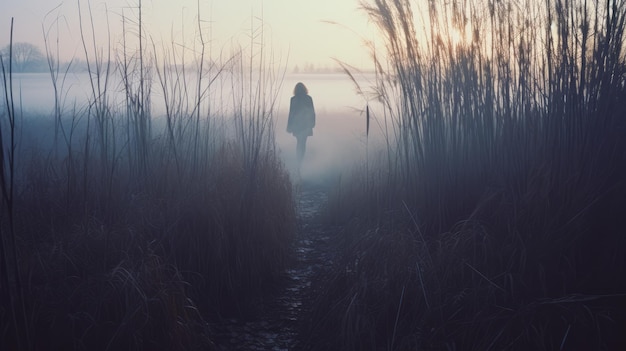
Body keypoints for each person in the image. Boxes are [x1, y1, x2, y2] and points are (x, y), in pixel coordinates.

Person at [286, 82, 316, 169]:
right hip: (305, 125)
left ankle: (299, 160)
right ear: (304, 89)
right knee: (302, 142)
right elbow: (312, 112)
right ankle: (300, 160)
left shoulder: (293, 99)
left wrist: (289, 126)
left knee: (299, 142)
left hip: (297, 125)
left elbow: (291, 114)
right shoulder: (308, 98)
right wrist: (312, 123)